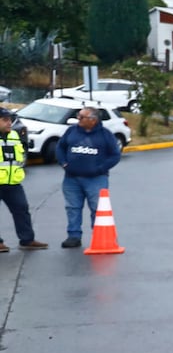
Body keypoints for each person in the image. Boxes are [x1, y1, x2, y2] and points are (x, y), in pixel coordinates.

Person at [58, 106, 121, 249]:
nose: (78, 119)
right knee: (72, 207)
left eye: (82, 117)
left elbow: (115, 155)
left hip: (96, 179)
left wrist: (100, 168)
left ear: (93, 120)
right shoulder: (71, 131)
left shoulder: (105, 135)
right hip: (71, 178)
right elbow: (60, 147)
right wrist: (64, 163)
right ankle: (73, 236)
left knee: (97, 208)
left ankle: (99, 235)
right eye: (78, 116)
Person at [0, 110, 46, 252]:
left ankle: (27, 239)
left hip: (13, 182)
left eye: (10, 120)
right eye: (5, 120)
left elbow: (19, 157)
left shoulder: (14, 136)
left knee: (22, 209)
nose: (9, 123)